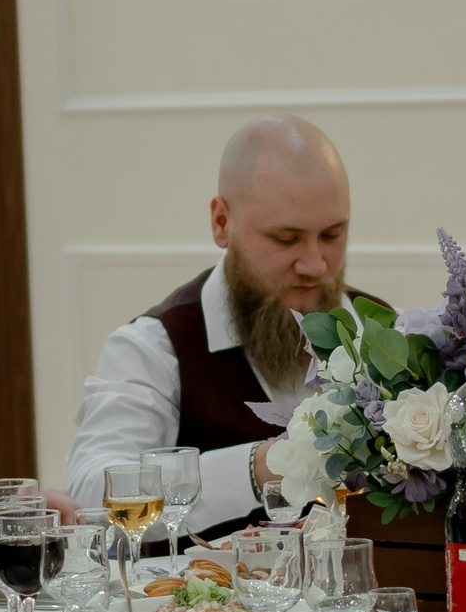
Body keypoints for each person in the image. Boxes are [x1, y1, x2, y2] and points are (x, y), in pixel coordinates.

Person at [66, 114, 354, 534]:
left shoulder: (384, 334)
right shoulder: (155, 348)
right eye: (285, 239)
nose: (314, 264)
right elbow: (91, 495)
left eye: (332, 235)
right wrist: (258, 468)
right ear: (222, 222)